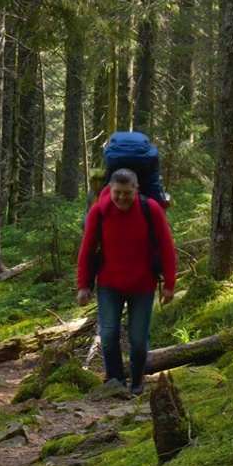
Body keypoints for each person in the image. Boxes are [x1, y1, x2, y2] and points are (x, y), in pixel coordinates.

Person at [77, 168, 177, 395]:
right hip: (109, 284)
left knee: (139, 339)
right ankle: (116, 383)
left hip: (143, 285)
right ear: (109, 190)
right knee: (109, 334)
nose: (122, 198)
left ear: (136, 190)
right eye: (117, 193)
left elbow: (167, 247)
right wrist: (83, 286)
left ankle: (137, 382)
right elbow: (87, 250)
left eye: (127, 193)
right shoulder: (99, 212)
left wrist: (170, 284)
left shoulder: (150, 209)